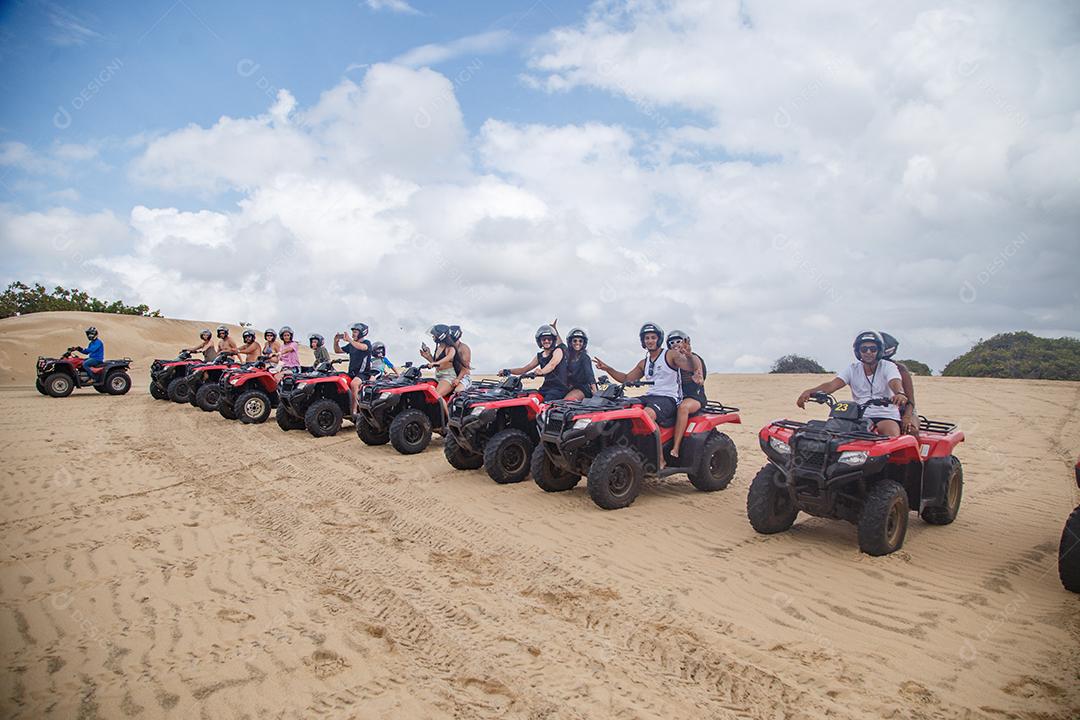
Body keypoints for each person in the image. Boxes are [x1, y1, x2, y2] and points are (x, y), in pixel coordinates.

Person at [594, 323, 696, 464]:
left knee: (646, 415)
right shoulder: (644, 362)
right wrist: (607, 369)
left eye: (653, 337)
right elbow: (626, 378)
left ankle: (660, 459)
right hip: (650, 396)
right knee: (623, 408)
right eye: (647, 338)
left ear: (659, 339)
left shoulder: (670, 355)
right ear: (643, 341)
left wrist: (689, 356)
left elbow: (689, 366)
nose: (650, 340)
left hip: (668, 398)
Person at [796, 330, 908, 437]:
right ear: (858, 351)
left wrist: (899, 393)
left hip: (884, 415)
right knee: (833, 435)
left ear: (879, 351)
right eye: (864, 349)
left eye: (873, 349)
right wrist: (809, 392)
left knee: (891, 436)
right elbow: (832, 385)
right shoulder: (852, 369)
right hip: (858, 416)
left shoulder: (888, 366)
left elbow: (894, 381)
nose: (868, 352)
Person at [667, 330, 707, 460]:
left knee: (683, 408)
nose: (675, 345)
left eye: (678, 341)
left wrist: (698, 377)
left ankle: (676, 447)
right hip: (675, 395)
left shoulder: (693, 358)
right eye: (672, 343)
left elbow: (698, 371)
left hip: (694, 396)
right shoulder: (672, 361)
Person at [501, 324, 569, 402]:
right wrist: (508, 371)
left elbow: (552, 364)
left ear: (553, 340)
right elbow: (524, 369)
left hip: (559, 388)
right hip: (546, 387)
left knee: (546, 404)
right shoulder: (539, 356)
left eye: (549, 339)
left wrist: (541, 371)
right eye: (544, 339)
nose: (546, 341)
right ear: (539, 341)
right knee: (530, 399)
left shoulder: (558, 351)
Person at [880, 331, 919, 436]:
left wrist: (906, 417)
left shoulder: (900, 369)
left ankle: (914, 452)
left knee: (911, 431)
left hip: (903, 410)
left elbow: (910, 401)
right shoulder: (863, 368)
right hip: (878, 410)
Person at [334, 322, 372, 414]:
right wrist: (335, 342)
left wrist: (350, 340)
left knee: (354, 384)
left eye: (355, 332)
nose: (353, 334)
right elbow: (337, 351)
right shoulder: (351, 345)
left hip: (363, 374)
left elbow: (363, 347)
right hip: (351, 373)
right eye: (353, 332)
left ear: (362, 332)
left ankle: (354, 411)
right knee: (338, 379)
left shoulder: (367, 343)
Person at [420, 324, 458, 398]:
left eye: (434, 335)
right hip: (438, 375)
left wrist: (436, 362)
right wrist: (428, 356)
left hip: (448, 377)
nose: (433, 337)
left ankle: (446, 410)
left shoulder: (450, 348)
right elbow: (436, 364)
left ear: (440, 336)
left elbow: (449, 357)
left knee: (437, 396)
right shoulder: (439, 347)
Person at [563, 326, 597, 401]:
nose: (577, 343)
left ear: (584, 343)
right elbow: (561, 345)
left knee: (567, 401)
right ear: (570, 343)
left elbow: (590, 375)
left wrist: (595, 392)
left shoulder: (585, 357)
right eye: (575, 341)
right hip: (570, 387)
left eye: (580, 341)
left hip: (583, 388)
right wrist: (554, 330)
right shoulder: (568, 356)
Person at [447, 325, 473, 392]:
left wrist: (458, 379)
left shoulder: (464, 348)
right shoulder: (447, 348)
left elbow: (465, 367)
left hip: (463, 376)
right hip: (451, 376)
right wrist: (428, 356)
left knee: (458, 391)